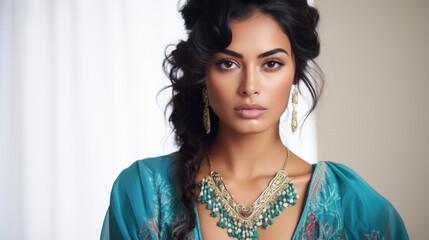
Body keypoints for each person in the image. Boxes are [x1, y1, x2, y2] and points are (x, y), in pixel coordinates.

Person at [101, 0, 409, 239]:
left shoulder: (349, 205)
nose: (249, 86)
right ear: (204, 74)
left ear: (295, 74)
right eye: (228, 64)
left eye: (271, 63)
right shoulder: (146, 193)